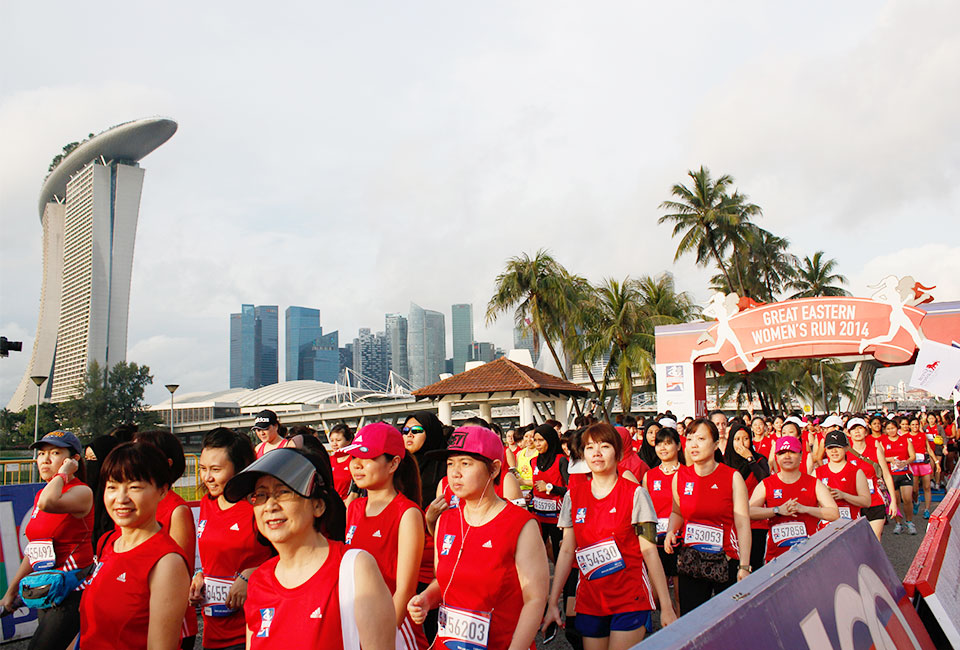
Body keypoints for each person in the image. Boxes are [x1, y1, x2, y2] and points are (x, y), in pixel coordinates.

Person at [224, 448, 396, 649]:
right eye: (260, 495)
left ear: (318, 505)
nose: (270, 506)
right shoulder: (258, 582)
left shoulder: (355, 569)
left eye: (283, 492)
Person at [407, 426, 549, 650]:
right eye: (451, 464)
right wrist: (426, 598)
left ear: (493, 469)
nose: (455, 473)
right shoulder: (445, 520)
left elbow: (535, 599)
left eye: (466, 463)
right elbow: (446, 581)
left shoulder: (520, 524)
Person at [541, 422, 676, 648]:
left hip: (629, 598)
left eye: (604, 446)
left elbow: (649, 551)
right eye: (590, 447)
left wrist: (667, 607)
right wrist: (553, 602)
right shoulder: (573, 497)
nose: (596, 453)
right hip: (591, 600)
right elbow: (566, 551)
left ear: (618, 452)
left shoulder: (636, 494)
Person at [78, 442, 191, 649]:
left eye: (134, 487)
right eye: (112, 487)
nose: (120, 499)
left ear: (162, 491)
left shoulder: (167, 563)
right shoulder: (108, 543)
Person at [0, 431, 94, 650]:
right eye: (41, 454)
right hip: (47, 589)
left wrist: (63, 474)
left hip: (73, 590)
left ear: (74, 460)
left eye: (55, 453)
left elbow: (48, 503)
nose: (45, 459)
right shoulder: (43, 493)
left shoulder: (81, 491)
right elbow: (34, 552)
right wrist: (11, 592)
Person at [342, 423, 427, 649]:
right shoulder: (353, 509)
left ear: (393, 464)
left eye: (367, 458)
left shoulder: (407, 514)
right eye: (352, 458)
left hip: (396, 630)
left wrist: (383, 637)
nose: (356, 465)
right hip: (358, 628)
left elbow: (405, 590)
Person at [189, 427, 273, 650]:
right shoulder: (207, 503)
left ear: (239, 469)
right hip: (212, 632)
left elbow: (289, 559)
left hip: (251, 631)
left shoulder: (260, 507)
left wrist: (251, 575)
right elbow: (214, 557)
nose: (208, 477)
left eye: (216, 469)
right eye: (203, 469)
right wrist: (200, 577)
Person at [663, 419, 751, 615]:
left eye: (701, 439)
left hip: (726, 560)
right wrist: (671, 530)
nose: (693, 444)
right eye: (690, 438)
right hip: (691, 562)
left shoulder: (732, 477)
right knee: (692, 620)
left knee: (728, 620)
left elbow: (743, 524)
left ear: (716, 444)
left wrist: (744, 566)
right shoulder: (680, 477)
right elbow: (677, 512)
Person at [134, 429, 199, 647]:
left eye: (142, 454)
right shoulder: (133, 506)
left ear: (167, 463)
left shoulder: (176, 510)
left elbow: (179, 577)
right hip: (137, 616)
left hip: (171, 623)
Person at [749, 437, 839, 564]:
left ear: (801, 455)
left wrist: (805, 509)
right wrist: (777, 510)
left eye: (792, 452)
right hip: (776, 558)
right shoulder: (767, 484)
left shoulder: (814, 483)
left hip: (809, 555)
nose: (787, 456)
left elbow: (834, 513)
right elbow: (749, 512)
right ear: (776, 457)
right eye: (782, 453)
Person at [642, 426, 684, 615]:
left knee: (680, 595)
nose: (663, 448)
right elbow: (645, 511)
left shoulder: (687, 474)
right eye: (659, 443)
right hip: (656, 543)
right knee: (656, 596)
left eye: (668, 443)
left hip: (681, 541)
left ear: (679, 446)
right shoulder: (649, 476)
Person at [723, 422, 771, 572]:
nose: (741, 444)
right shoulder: (725, 462)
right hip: (731, 523)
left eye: (745, 439)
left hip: (756, 522)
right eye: (737, 439)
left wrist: (750, 459)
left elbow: (766, 481)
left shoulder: (759, 460)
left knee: (755, 566)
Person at [846, 418, 898, 540]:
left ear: (866, 431)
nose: (857, 432)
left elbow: (886, 475)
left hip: (875, 500)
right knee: (857, 540)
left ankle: (874, 560)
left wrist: (893, 502)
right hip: (854, 502)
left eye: (860, 428)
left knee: (875, 538)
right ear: (848, 433)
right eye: (853, 429)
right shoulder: (845, 454)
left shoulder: (875, 451)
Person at [815, 430, 870, 528]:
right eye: (830, 447)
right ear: (825, 450)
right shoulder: (817, 472)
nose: (834, 451)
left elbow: (866, 502)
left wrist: (843, 495)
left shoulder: (856, 472)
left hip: (851, 527)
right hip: (825, 528)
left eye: (838, 447)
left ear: (846, 448)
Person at [531, 423, 569, 561]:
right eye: (535, 440)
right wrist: (531, 493)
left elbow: (571, 490)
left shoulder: (562, 460)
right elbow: (536, 483)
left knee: (558, 551)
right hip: (538, 514)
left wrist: (550, 487)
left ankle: (562, 580)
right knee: (536, 551)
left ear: (550, 440)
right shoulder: (533, 461)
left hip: (556, 517)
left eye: (541, 440)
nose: (537, 444)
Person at [880, 418, 917, 534]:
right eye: (888, 429)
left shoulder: (906, 440)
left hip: (905, 473)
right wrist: (889, 459)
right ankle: (898, 523)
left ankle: (909, 522)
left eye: (893, 428)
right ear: (885, 430)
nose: (891, 431)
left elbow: (913, 456)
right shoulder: (883, 442)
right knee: (895, 500)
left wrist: (905, 462)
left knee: (907, 499)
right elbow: (879, 458)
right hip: (891, 475)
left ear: (897, 428)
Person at [83, 434, 121, 546]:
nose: (90, 464)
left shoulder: (119, 498)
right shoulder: (84, 493)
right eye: (87, 459)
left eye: (93, 459)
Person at [908, 416, 936, 519]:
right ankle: (916, 501)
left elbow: (928, 449)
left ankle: (927, 509)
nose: (915, 427)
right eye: (913, 425)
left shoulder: (923, 435)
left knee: (927, 487)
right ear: (909, 426)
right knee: (915, 489)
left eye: (916, 425)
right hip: (913, 465)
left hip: (924, 464)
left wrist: (936, 462)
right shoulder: (906, 436)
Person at [328, 423, 355, 500]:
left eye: (338, 440)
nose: (334, 444)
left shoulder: (354, 461)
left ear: (348, 441)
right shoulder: (328, 460)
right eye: (332, 440)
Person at [516, 425, 539, 497]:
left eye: (531, 436)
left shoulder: (539, 454)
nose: (528, 439)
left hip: (535, 492)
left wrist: (523, 482)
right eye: (526, 436)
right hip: (521, 492)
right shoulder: (520, 453)